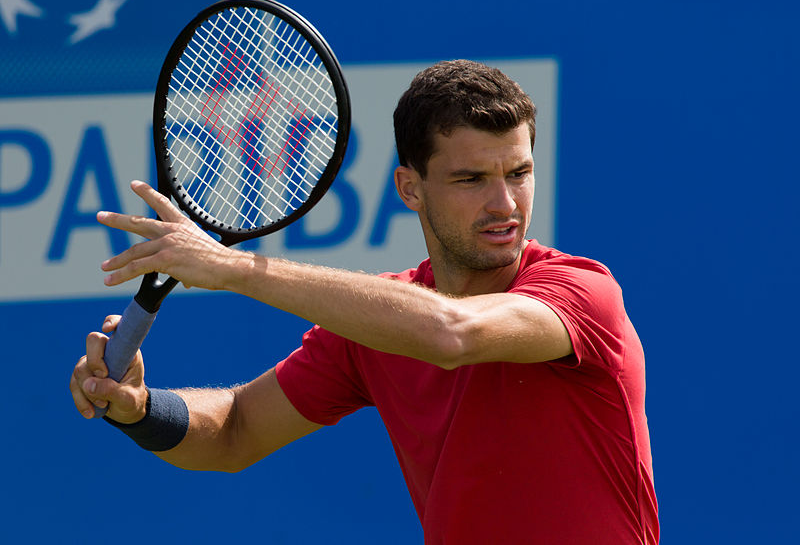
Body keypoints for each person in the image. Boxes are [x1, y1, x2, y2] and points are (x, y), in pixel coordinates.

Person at [70, 59, 659, 544]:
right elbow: (236, 428)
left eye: (519, 172)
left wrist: (231, 267)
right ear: (410, 188)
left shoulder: (584, 293)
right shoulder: (376, 326)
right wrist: (139, 407)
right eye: (471, 179)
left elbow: (453, 333)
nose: (505, 203)